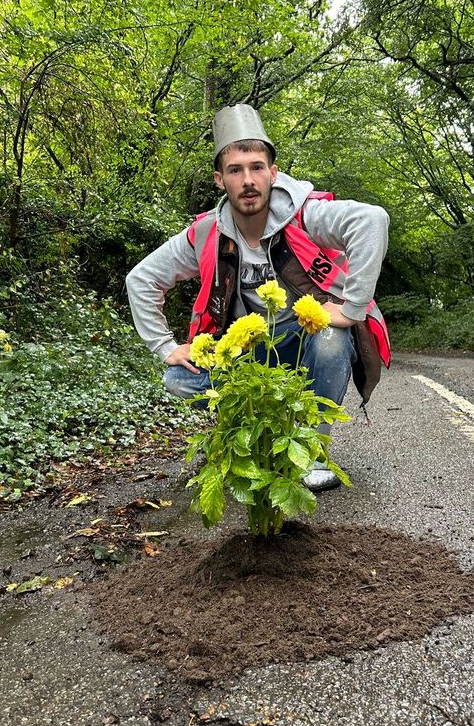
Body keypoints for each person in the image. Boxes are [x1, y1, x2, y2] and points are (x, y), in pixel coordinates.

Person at [126, 104, 390, 490]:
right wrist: (165, 346)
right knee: (178, 378)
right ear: (220, 179)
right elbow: (141, 279)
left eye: (256, 167)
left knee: (333, 340)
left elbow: (372, 220)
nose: (248, 180)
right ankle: (255, 442)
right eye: (235, 170)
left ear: (273, 173)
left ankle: (306, 451)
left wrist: (351, 309)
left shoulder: (307, 215)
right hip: (249, 354)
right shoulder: (205, 234)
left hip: (306, 346)